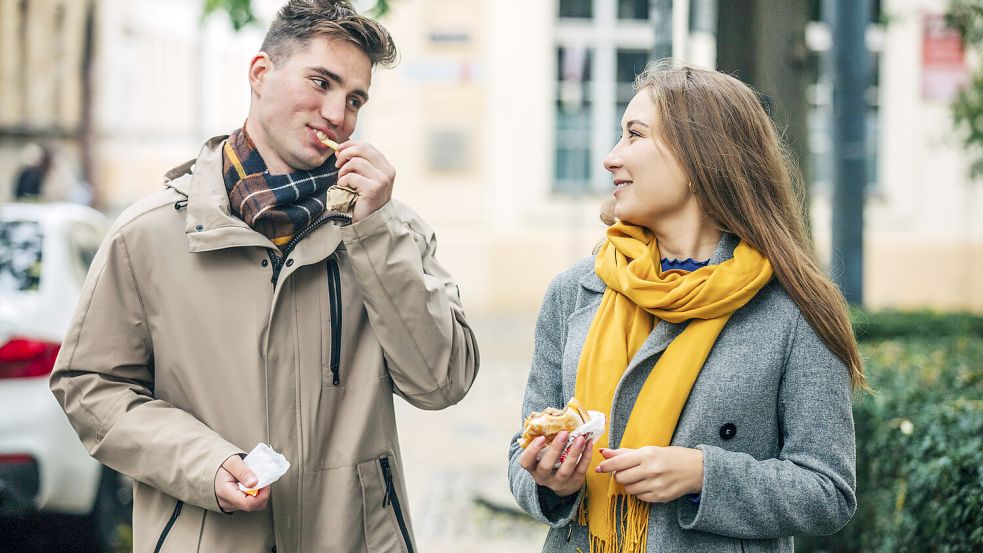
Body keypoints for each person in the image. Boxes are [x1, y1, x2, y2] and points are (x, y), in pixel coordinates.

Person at [49, 1, 478, 552]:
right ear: (260, 73)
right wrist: (204, 462)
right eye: (320, 82)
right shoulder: (148, 234)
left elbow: (442, 383)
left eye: (354, 99)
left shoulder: (388, 230)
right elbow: (89, 386)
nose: (337, 113)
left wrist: (375, 233)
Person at [508, 60, 862, 553]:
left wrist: (702, 474)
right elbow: (520, 453)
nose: (611, 158)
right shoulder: (576, 292)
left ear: (699, 158)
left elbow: (829, 492)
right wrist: (551, 482)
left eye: (635, 135)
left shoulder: (794, 307)